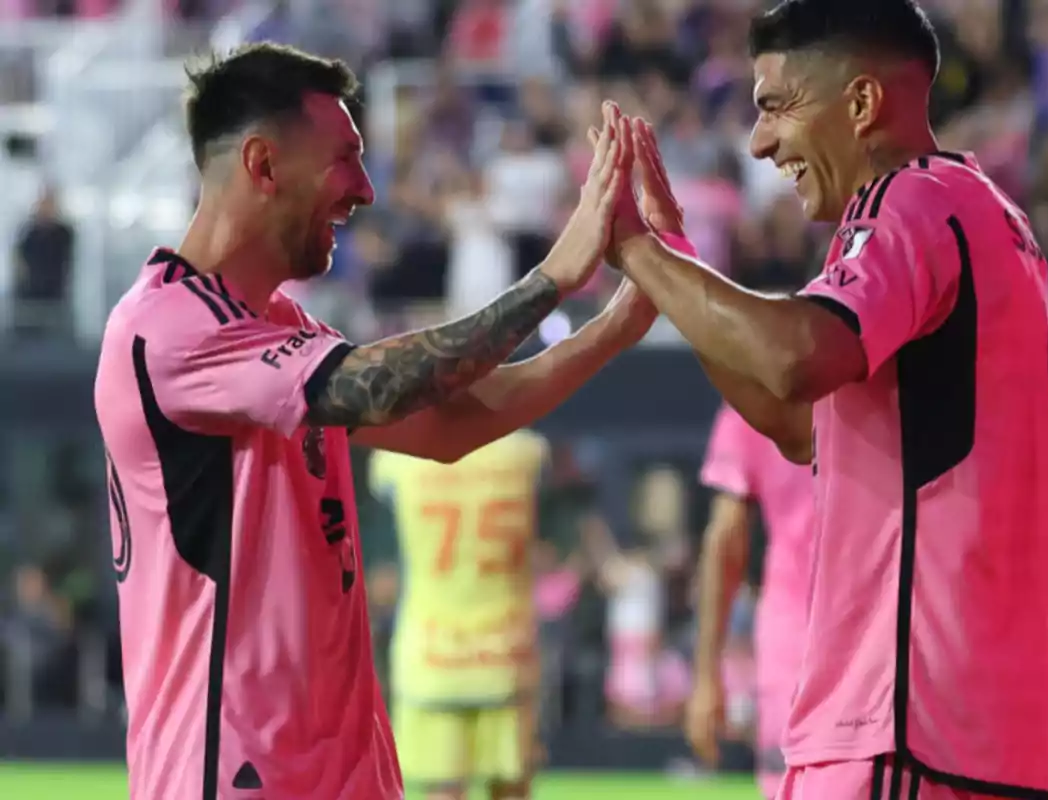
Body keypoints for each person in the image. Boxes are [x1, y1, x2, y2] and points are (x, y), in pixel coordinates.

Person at [93, 42, 655, 800]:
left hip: (339, 772)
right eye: (345, 159)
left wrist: (618, 324)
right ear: (262, 165)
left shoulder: (279, 326)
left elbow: (450, 423)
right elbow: (388, 389)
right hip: (232, 772)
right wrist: (556, 275)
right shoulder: (166, 327)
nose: (364, 190)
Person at [596, 0, 1048, 796]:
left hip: (899, 726)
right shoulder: (996, 219)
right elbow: (801, 426)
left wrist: (631, 248)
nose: (760, 140)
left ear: (862, 103)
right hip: (977, 734)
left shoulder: (906, 202)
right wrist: (673, 264)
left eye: (776, 104)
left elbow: (797, 359)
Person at [368, 428, 549, 800]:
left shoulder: (398, 458)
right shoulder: (526, 452)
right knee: (512, 785)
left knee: (444, 790)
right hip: (506, 652)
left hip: (432, 653)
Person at [686, 404, 815, 799]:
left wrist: (707, 679)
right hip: (882, 640)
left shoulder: (751, 397)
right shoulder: (882, 381)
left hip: (791, 649)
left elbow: (725, 539)